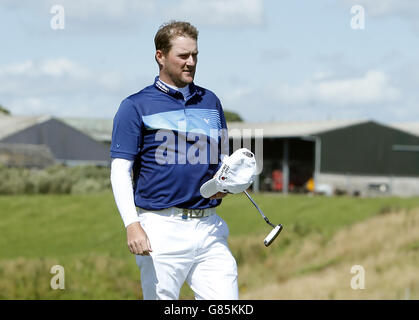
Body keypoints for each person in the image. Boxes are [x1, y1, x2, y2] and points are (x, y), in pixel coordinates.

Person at [110, 21, 238, 300]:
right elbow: (120, 170)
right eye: (183, 56)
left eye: (195, 55)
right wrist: (132, 224)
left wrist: (232, 180)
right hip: (160, 228)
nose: (191, 62)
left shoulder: (211, 101)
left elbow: (222, 159)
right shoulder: (135, 105)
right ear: (160, 56)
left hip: (209, 227)